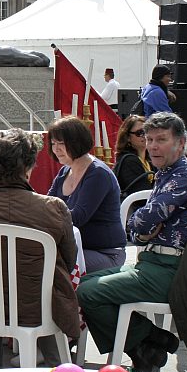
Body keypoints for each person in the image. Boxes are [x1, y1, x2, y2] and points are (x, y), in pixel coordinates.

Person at [76, 112, 187, 372]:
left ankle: (146, 344)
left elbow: (142, 221)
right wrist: (143, 229)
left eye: (161, 139)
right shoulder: (166, 173)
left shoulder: (185, 176)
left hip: (173, 271)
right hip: (152, 262)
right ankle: (148, 343)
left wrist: (143, 228)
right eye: (149, 139)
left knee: (87, 293)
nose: (153, 146)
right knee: (83, 284)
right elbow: (136, 231)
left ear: (181, 143)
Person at [0, 129, 81, 361]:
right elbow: (69, 261)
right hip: (39, 308)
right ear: (28, 167)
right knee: (48, 288)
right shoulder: (53, 208)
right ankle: (57, 366)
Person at [47, 116, 127, 272]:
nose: (56, 149)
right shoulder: (65, 171)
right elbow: (48, 204)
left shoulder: (98, 173)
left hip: (106, 253)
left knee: (52, 264)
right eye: (53, 143)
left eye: (61, 143)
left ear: (77, 142)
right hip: (76, 249)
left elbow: (78, 217)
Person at [112, 115, 154, 198]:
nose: (145, 136)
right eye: (140, 133)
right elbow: (141, 197)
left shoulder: (149, 160)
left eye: (147, 131)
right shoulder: (129, 161)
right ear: (127, 137)